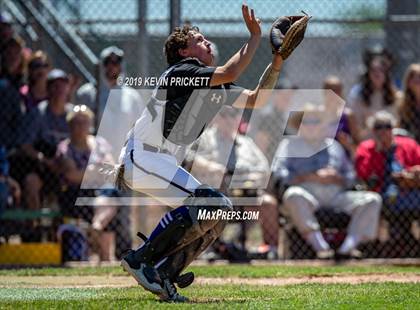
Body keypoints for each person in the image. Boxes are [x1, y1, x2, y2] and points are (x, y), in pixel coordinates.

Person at [117, 5, 308, 302]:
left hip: (160, 161)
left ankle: (164, 273)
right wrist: (255, 37)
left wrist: (278, 60)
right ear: (183, 52)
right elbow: (231, 70)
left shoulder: (211, 83)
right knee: (211, 202)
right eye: (198, 39)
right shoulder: (182, 71)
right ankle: (140, 259)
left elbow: (256, 100)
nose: (206, 42)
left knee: (217, 212)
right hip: (143, 157)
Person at [273, 103, 382, 259]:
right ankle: (322, 249)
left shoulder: (334, 146)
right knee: (292, 195)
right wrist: (309, 176)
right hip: (307, 193)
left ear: (323, 125)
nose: (311, 126)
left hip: (336, 195)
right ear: (300, 126)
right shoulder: (289, 145)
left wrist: (339, 178)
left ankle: (347, 249)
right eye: (306, 122)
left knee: (372, 199)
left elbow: (351, 176)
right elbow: (279, 173)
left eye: (315, 121)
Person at [187, 108, 279, 257]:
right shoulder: (206, 138)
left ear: (238, 119)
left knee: (267, 203)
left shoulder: (246, 143)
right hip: (213, 194)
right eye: (224, 115)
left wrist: (252, 177)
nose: (229, 119)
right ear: (217, 118)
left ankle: (270, 250)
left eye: (233, 115)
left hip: (244, 194)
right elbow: (189, 158)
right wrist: (211, 167)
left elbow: (264, 168)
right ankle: (206, 249)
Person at [56, 105, 131, 261]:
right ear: (70, 125)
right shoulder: (64, 147)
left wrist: (87, 171)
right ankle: (104, 254)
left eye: (85, 121)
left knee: (112, 192)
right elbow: (72, 176)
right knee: (110, 200)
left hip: (101, 193)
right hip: (76, 195)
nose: (81, 125)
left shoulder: (99, 143)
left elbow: (111, 169)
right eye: (77, 122)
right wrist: (95, 170)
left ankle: (96, 228)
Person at [355, 111, 420, 255]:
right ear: (373, 131)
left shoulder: (408, 144)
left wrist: (411, 173)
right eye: (379, 127)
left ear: (394, 127)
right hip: (383, 194)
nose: (383, 131)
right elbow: (363, 174)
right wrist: (379, 152)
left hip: (411, 192)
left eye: (387, 126)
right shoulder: (366, 148)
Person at [15, 69, 73, 210]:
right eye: (54, 85)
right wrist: (44, 160)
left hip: (66, 165)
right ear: (48, 89)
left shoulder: (74, 114)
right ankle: (35, 227)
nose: (59, 89)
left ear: (68, 88)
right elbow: (25, 145)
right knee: (31, 182)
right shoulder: (38, 113)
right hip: (43, 165)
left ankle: (68, 227)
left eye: (62, 85)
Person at [76, 46, 145, 159]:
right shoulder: (87, 93)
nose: (112, 67)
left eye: (116, 63)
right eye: (107, 62)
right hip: (93, 159)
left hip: (123, 159)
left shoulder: (132, 96)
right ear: (101, 65)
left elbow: (139, 131)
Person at [348, 55, 400, 139]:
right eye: (373, 70)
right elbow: (358, 128)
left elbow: (398, 123)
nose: (377, 73)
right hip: (370, 139)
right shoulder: (359, 97)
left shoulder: (397, 97)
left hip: (392, 139)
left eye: (381, 70)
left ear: (386, 74)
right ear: (368, 74)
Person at [323, 75, 361, 159]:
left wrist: (347, 143)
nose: (334, 93)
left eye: (337, 90)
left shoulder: (348, 115)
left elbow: (358, 145)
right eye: (330, 89)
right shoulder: (318, 113)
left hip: (343, 158)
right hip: (322, 157)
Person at [398, 64, 420, 143]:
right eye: (413, 77)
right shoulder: (402, 104)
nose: (416, 79)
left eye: (419, 77)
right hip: (410, 146)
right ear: (408, 82)